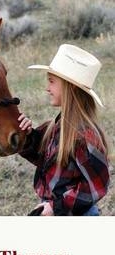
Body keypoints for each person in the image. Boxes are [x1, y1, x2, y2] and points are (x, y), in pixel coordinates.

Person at [18, 44, 110, 216]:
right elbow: (45, 158)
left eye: (52, 81)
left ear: (71, 87)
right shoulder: (56, 126)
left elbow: (96, 186)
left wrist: (56, 206)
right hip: (55, 209)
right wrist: (26, 136)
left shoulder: (84, 136)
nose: (47, 88)